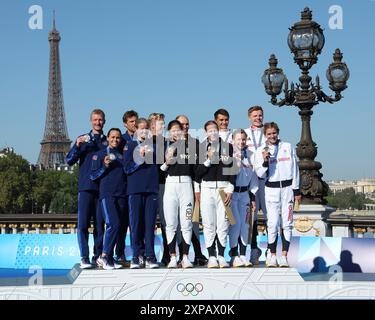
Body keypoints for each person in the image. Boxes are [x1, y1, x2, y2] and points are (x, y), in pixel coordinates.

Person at [254, 122, 301, 267]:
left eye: (274, 133)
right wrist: (265, 161)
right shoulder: (261, 150)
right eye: (269, 134)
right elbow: (259, 174)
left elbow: (295, 169)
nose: (272, 136)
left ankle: (284, 256)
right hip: (271, 189)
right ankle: (272, 255)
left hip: (287, 189)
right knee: (272, 223)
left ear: (278, 133)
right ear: (265, 135)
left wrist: (296, 190)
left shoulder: (287, 146)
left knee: (287, 224)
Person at [66, 109, 107, 269]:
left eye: (100, 120)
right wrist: (77, 146)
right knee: (83, 224)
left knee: (99, 225)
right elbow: (69, 160)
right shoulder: (82, 140)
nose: (98, 122)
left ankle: (97, 256)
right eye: (95, 120)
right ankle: (84, 256)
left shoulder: (107, 141)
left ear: (104, 121)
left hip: (102, 188)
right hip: (85, 188)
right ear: (91, 121)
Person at [195, 120, 235, 268]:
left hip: (224, 189)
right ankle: (211, 256)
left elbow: (232, 168)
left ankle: (221, 256)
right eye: (209, 130)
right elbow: (197, 174)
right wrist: (208, 160)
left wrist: (230, 187)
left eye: (215, 130)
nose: (212, 132)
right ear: (206, 132)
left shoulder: (228, 147)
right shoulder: (200, 148)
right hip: (207, 189)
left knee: (223, 224)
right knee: (208, 224)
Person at [160, 120, 198, 268]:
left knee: (187, 223)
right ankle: (172, 257)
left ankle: (185, 257)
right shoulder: (165, 146)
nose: (176, 132)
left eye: (178, 130)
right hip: (170, 185)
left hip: (187, 185)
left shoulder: (192, 147)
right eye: (173, 130)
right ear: (170, 132)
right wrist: (167, 162)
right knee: (171, 224)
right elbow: (160, 170)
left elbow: (195, 170)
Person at [124, 118, 160, 269]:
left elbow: (161, 165)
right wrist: (140, 157)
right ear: (136, 130)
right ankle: (136, 256)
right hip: (135, 190)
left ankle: (150, 256)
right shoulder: (130, 145)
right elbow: (126, 169)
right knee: (135, 224)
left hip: (151, 189)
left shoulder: (155, 146)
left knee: (150, 224)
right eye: (141, 128)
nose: (144, 131)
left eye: (147, 129)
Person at [90, 128, 126, 270]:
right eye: (112, 137)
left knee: (119, 227)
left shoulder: (122, 156)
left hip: (121, 195)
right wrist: (104, 166)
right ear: (108, 138)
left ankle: (109, 257)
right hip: (107, 195)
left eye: (117, 138)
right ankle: (103, 256)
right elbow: (92, 176)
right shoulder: (99, 155)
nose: (115, 140)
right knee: (113, 224)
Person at [175, 115, 208, 266]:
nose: (185, 126)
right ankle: (173, 255)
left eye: (187, 124)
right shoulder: (171, 143)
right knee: (175, 223)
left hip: (191, 186)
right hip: (174, 187)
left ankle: (197, 254)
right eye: (182, 124)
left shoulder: (195, 143)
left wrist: (197, 188)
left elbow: (198, 169)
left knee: (191, 222)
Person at [228, 129, 258, 267]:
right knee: (235, 224)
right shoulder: (229, 155)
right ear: (233, 140)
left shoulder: (251, 155)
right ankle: (233, 255)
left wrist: (252, 196)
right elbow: (227, 176)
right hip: (231, 194)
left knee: (245, 225)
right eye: (238, 139)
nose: (241, 142)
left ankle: (243, 254)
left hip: (245, 195)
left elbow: (254, 177)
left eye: (243, 139)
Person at [114, 110, 139, 266]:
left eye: (135, 121)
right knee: (122, 223)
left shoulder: (143, 139)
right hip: (123, 186)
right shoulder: (120, 140)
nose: (134, 124)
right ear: (125, 124)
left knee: (137, 223)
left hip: (137, 185)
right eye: (131, 122)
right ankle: (120, 253)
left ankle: (138, 253)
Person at [245, 105, 267, 265]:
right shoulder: (244, 134)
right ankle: (254, 249)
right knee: (251, 219)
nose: (258, 118)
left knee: (270, 217)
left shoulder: (269, 133)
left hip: (266, 181)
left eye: (260, 115)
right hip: (250, 181)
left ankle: (273, 251)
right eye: (255, 115)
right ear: (249, 117)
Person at [148, 113, 169, 266]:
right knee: (147, 222)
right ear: (152, 126)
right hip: (148, 186)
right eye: (159, 124)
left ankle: (168, 253)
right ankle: (146, 254)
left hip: (164, 185)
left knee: (166, 221)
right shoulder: (144, 143)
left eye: (163, 124)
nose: (162, 127)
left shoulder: (167, 143)